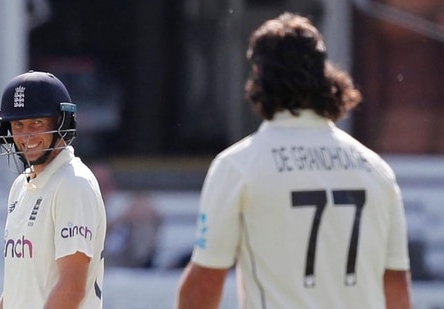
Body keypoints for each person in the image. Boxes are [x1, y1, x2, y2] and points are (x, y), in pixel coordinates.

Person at [176, 12, 411, 309]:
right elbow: (397, 288)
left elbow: (204, 285)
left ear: (258, 76)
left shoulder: (238, 166)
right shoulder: (376, 170)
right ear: (325, 76)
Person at [0, 71, 106, 309]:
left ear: (61, 122)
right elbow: (19, 286)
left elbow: (72, 286)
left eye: (37, 122)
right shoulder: (20, 187)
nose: (27, 135)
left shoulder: (73, 183)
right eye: (18, 124)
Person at [91, 163, 162, 268]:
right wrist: (120, 220)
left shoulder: (118, 207)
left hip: (129, 269)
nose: (100, 191)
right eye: (94, 185)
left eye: (104, 185)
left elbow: (155, 216)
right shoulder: (78, 211)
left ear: (111, 187)